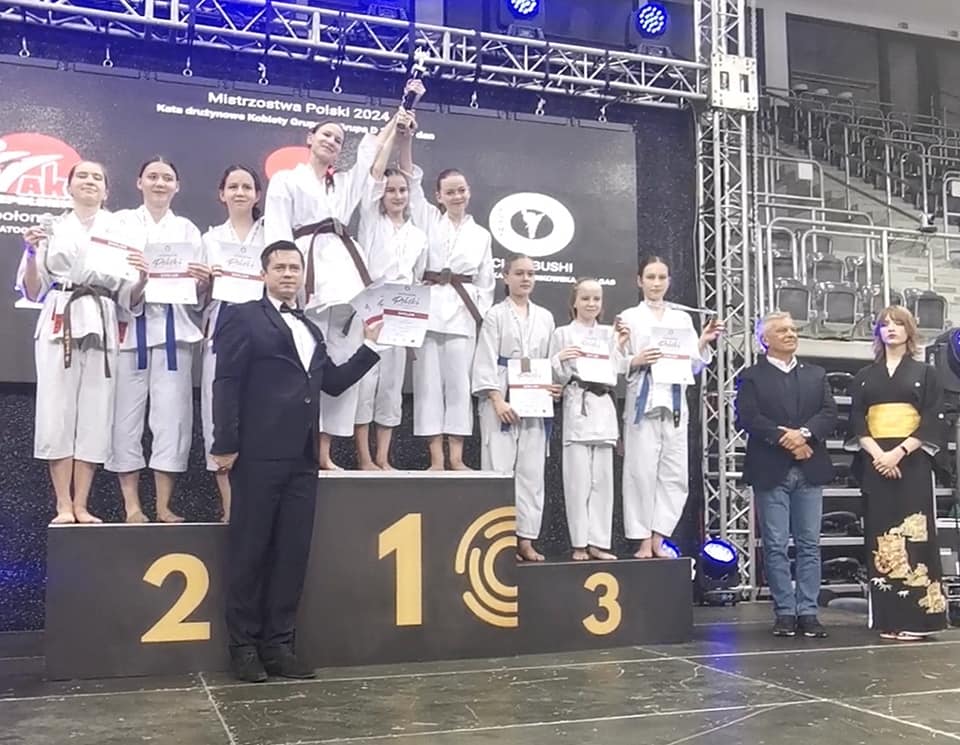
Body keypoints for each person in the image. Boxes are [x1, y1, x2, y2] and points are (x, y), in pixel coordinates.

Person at [211, 240, 381, 683]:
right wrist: (224, 442)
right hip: (257, 453)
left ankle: (279, 646)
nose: (289, 274)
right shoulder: (243, 316)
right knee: (250, 552)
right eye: (280, 267)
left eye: (295, 268)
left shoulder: (310, 327)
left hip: (303, 458)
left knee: (291, 554)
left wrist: (370, 346)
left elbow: (334, 383)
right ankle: (243, 648)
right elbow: (225, 382)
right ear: (264, 274)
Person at [264, 111, 402, 470]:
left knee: (342, 359)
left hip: (344, 278)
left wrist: (397, 119)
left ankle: (325, 452)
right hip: (306, 273)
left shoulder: (342, 184)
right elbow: (276, 234)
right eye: (326, 134)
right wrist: (284, 281)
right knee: (303, 364)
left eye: (339, 139)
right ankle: (300, 446)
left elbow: (372, 159)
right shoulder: (285, 180)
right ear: (309, 137)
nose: (332, 141)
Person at [17, 161, 146, 524]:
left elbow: (130, 296)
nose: (90, 181)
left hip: (102, 315)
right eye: (82, 176)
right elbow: (33, 290)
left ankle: (82, 504)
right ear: (68, 187)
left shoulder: (120, 231)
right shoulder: (51, 227)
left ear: (107, 190)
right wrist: (31, 253)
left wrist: (143, 277)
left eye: (97, 178)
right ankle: (63, 504)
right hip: (61, 313)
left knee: (95, 412)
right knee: (56, 410)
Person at [105, 157, 209, 523]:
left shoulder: (188, 230)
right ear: (139, 182)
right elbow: (112, 276)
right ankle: (132, 506)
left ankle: (164, 505)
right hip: (129, 331)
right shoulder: (120, 223)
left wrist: (202, 283)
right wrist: (140, 283)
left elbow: (197, 294)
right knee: (124, 419)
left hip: (174, 333)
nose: (160, 183)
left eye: (167, 178)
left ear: (177, 186)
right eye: (153, 176)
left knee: (173, 419)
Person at [399, 106, 496, 470]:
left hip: (462, 315)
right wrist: (406, 139)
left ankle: (456, 457)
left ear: (469, 193)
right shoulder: (426, 219)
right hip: (428, 312)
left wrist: (479, 313)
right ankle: (436, 459)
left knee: (458, 386)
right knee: (427, 386)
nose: (457, 196)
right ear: (438, 196)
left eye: (461, 190)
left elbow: (486, 282)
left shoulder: (481, 235)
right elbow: (409, 180)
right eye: (450, 192)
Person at [736, 311, 837, 638]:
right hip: (770, 470)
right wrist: (787, 439)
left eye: (793, 329)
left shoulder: (816, 374)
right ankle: (784, 611)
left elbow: (829, 414)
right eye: (782, 330)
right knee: (776, 544)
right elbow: (748, 418)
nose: (791, 334)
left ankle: (808, 611)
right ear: (764, 339)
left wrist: (804, 435)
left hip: (810, 469)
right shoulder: (752, 376)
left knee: (809, 544)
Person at [850, 306, 949, 641]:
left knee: (915, 536)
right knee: (880, 536)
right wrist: (879, 454)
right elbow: (857, 421)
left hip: (912, 461)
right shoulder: (865, 376)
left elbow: (932, 418)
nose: (890, 329)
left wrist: (898, 453)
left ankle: (919, 620)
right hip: (876, 460)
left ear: (910, 330)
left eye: (897, 324)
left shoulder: (926, 372)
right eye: (884, 324)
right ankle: (888, 618)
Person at [615, 256, 722, 558]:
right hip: (643, 400)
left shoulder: (681, 319)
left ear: (669, 281)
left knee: (674, 474)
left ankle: (659, 536)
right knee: (640, 473)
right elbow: (615, 362)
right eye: (650, 277)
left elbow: (693, 366)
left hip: (674, 402)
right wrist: (636, 360)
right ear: (639, 281)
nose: (656, 283)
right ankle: (642, 540)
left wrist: (703, 341)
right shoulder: (628, 317)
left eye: (662, 277)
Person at [472, 254, 557, 561]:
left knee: (532, 476)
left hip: (535, 402)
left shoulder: (545, 317)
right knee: (499, 471)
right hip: (502, 398)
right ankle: (498, 540)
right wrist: (496, 399)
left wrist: (552, 386)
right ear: (505, 277)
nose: (526, 279)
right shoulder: (495, 315)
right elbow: (485, 359)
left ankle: (525, 540)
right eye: (519, 273)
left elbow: (550, 361)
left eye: (531, 273)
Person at [354, 114, 428, 470]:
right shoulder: (371, 221)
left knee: (391, 388)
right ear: (381, 195)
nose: (397, 195)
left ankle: (383, 458)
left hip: (403, 314)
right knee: (365, 384)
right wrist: (396, 137)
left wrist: (414, 322)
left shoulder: (418, 234)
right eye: (391, 190)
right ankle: (363, 457)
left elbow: (417, 278)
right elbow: (374, 170)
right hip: (371, 307)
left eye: (402, 190)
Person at [200, 165, 265, 521]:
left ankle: (256, 504)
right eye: (233, 186)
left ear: (257, 195)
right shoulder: (209, 239)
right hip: (223, 326)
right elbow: (196, 298)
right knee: (219, 411)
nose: (240, 192)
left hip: (264, 328)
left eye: (247, 186)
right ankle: (229, 505)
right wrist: (204, 281)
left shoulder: (271, 234)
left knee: (259, 412)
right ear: (221, 193)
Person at [550, 278, 625, 561]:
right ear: (574, 302)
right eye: (585, 298)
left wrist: (620, 345)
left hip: (603, 408)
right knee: (577, 482)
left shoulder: (609, 334)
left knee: (602, 483)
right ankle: (579, 543)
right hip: (577, 407)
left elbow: (617, 370)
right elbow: (555, 378)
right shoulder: (562, 333)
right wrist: (559, 359)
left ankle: (599, 543)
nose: (591, 304)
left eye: (596, 299)